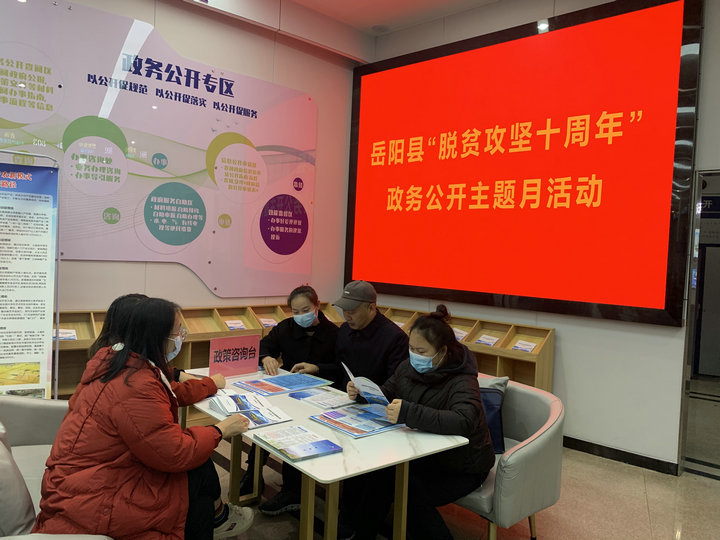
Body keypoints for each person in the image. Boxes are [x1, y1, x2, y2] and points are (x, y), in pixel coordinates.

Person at [33, 296, 254, 540]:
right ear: (154, 336)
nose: (181, 337)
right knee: (194, 476)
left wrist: (209, 385)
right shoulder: (134, 384)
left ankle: (218, 518)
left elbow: (170, 392)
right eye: (177, 332)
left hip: (85, 479)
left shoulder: (118, 363)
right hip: (97, 497)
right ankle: (216, 520)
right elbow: (174, 453)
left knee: (198, 466)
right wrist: (220, 430)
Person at [343, 305, 495, 540]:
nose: (414, 355)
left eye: (421, 351)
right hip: (424, 455)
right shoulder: (408, 366)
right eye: (411, 348)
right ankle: (360, 532)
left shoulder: (462, 379)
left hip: (462, 466)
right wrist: (363, 393)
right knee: (377, 473)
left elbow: (464, 420)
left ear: (442, 352)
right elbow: (388, 392)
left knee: (410, 494)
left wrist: (408, 412)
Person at [239, 285, 339, 516]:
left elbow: (340, 367)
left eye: (305, 310)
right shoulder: (285, 328)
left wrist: (317, 368)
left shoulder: (334, 334)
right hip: (286, 392)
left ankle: (292, 491)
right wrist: (267, 357)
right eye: (295, 311)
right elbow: (264, 347)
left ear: (317, 306)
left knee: (296, 434)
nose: (300, 315)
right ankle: (253, 472)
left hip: (320, 397)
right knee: (267, 422)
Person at [88, 293, 226, 405]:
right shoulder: (136, 378)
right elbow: (172, 392)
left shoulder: (110, 354)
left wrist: (176, 374)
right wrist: (210, 384)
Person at [328, 280, 408, 387]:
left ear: (371, 308)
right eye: (344, 310)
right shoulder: (345, 329)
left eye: (352, 312)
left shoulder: (395, 338)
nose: (347, 317)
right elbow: (339, 367)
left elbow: (395, 384)